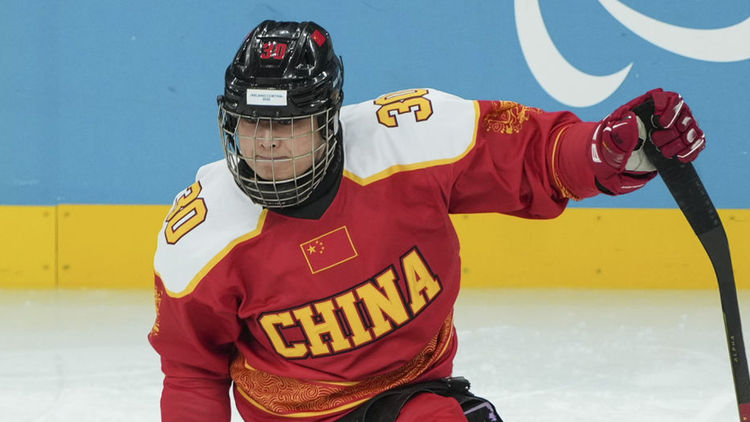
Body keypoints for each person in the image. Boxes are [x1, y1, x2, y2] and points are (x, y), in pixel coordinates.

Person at [148, 20, 705, 422]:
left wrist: (609, 150)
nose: (265, 144)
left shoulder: (410, 140)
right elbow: (193, 372)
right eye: (251, 122)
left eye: (287, 123)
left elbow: (533, 157)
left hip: (413, 398)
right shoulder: (201, 235)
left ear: (328, 118)